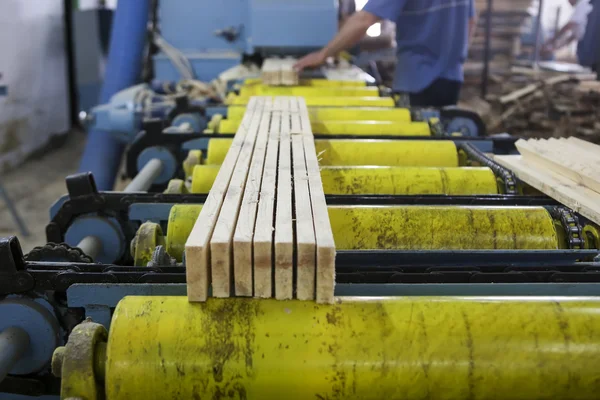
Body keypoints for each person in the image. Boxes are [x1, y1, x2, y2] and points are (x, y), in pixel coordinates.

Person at [294, 0, 477, 107]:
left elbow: (364, 20)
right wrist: (454, 59)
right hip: (452, 79)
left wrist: (322, 54)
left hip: (417, 81)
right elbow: (470, 21)